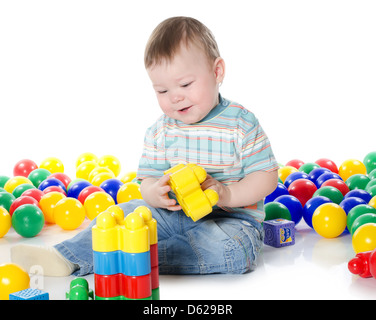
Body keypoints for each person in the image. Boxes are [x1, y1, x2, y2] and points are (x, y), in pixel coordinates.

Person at [11, 16, 278, 276]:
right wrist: (154, 193)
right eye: (162, 90)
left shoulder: (241, 123)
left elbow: (266, 177)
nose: (175, 96)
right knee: (124, 214)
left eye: (185, 84)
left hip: (231, 222)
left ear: (217, 71)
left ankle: (137, 255)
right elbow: (147, 180)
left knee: (232, 249)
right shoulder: (161, 130)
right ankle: (65, 256)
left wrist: (227, 194)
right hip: (173, 215)